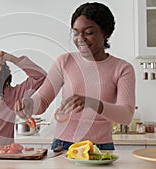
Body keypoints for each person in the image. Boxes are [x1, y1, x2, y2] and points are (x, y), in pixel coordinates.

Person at [14, 2, 135, 150]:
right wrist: (29, 104)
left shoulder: (122, 68)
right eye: (76, 33)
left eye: (89, 33)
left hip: (100, 148)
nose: (80, 39)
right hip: (63, 146)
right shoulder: (65, 61)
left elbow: (126, 116)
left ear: (106, 33)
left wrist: (92, 103)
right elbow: (43, 100)